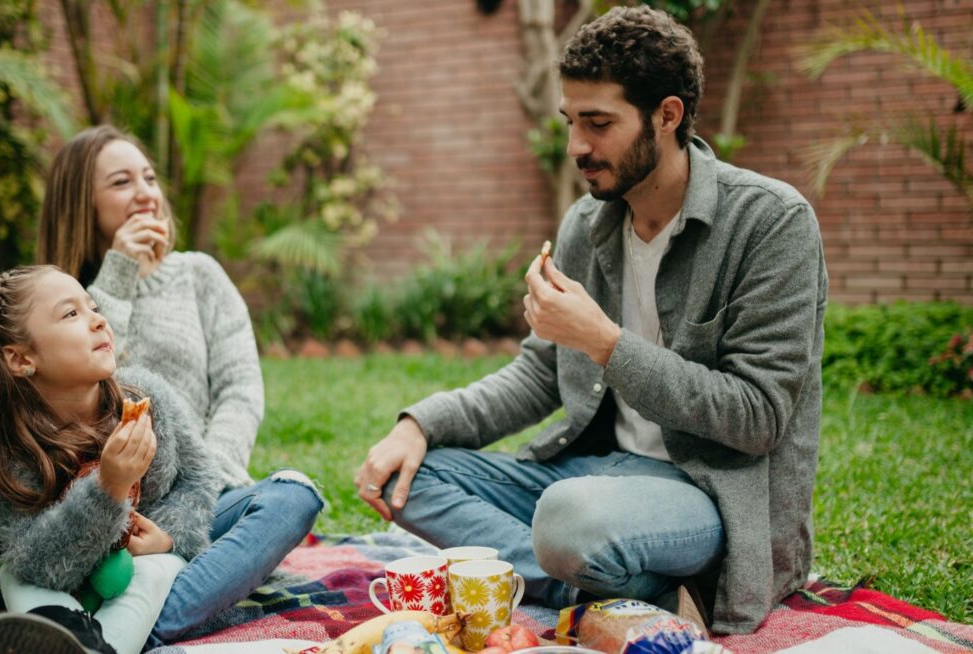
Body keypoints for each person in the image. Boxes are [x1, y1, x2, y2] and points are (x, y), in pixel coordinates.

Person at [353, 5, 827, 635]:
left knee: (568, 519)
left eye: (598, 123)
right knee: (409, 477)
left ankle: (593, 571)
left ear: (667, 115)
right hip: (593, 474)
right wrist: (420, 424)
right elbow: (539, 374)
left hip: (706, 491)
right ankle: (628, 592)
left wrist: (604, 342)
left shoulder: (771, 224)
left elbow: (758, 417)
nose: (577, 146)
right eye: (571, 121)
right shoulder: (587, 222)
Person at [0, 126, 323, 654]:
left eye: (150, 177)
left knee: (289, 495)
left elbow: (241, 389)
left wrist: (183, 511)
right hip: (62, 481)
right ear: (83, 202)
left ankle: (109, 630)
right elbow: (92, 366)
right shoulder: (52, 292)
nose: (147, 192)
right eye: (123, 182)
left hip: (182, 490)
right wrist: (117, 275)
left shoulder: (199, 275)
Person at [0, 265, 224, 654]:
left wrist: (166, 537)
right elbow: (39, 565)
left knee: (158, 569)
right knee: (16, 575)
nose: (99, 320)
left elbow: (199, 478)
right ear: (20, 358)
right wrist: (109, 488)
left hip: (141, 568)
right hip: (65, 583)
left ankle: (88, 646)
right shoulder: (7, 448)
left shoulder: (147, 396)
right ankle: (79, 637)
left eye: (93, 307)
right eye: (71, 314)